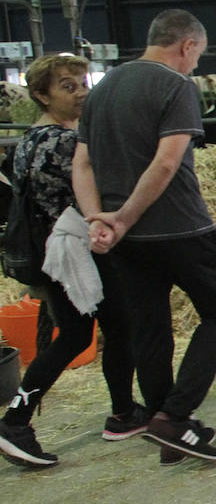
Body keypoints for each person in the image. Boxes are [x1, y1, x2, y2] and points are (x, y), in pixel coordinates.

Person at [73, 9, 216, 464]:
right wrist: (125, 217)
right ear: (187, 45)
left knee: (150, 325)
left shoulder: (103, 88)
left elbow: (82, 164)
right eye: (197, 55)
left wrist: (98, 219)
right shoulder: (175, 86)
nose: (195, 65)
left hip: (126, 240)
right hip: (180, 227)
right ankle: (175, 413)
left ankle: (163, 422)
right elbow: (167, 164)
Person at [0, 54, 141, 468]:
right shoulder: (58, 143)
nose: (81, 92)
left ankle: (121, 412)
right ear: (42, 95)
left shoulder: (36, 138)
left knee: (103, 329)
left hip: (60, 251)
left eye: (83, 82)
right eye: (68, 86)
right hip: (70, 252)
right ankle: (16, 421)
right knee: (90, 332)